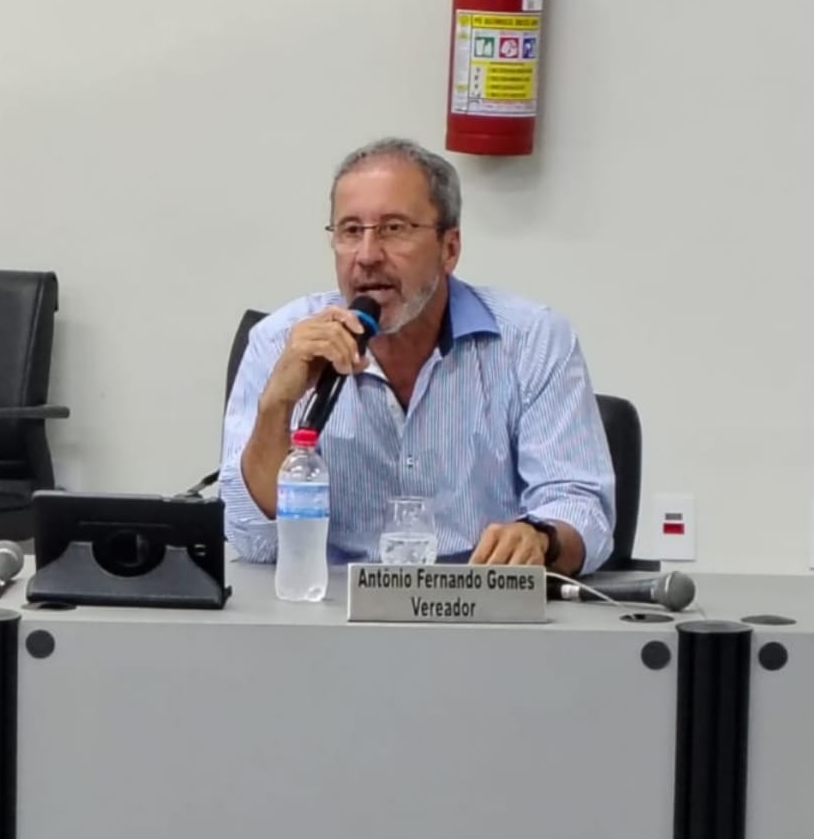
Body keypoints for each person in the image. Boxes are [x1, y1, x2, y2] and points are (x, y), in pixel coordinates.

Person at [220, 138, 616, 575]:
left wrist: (541, 537)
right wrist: (277, 406)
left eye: (393, 229)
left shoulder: (531, 340)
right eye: (350, 231)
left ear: (449, 249)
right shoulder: (279, 342)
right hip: (329, 604)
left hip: (479, 604)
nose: (367, 256)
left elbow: (581, 508)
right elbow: (251, 538)